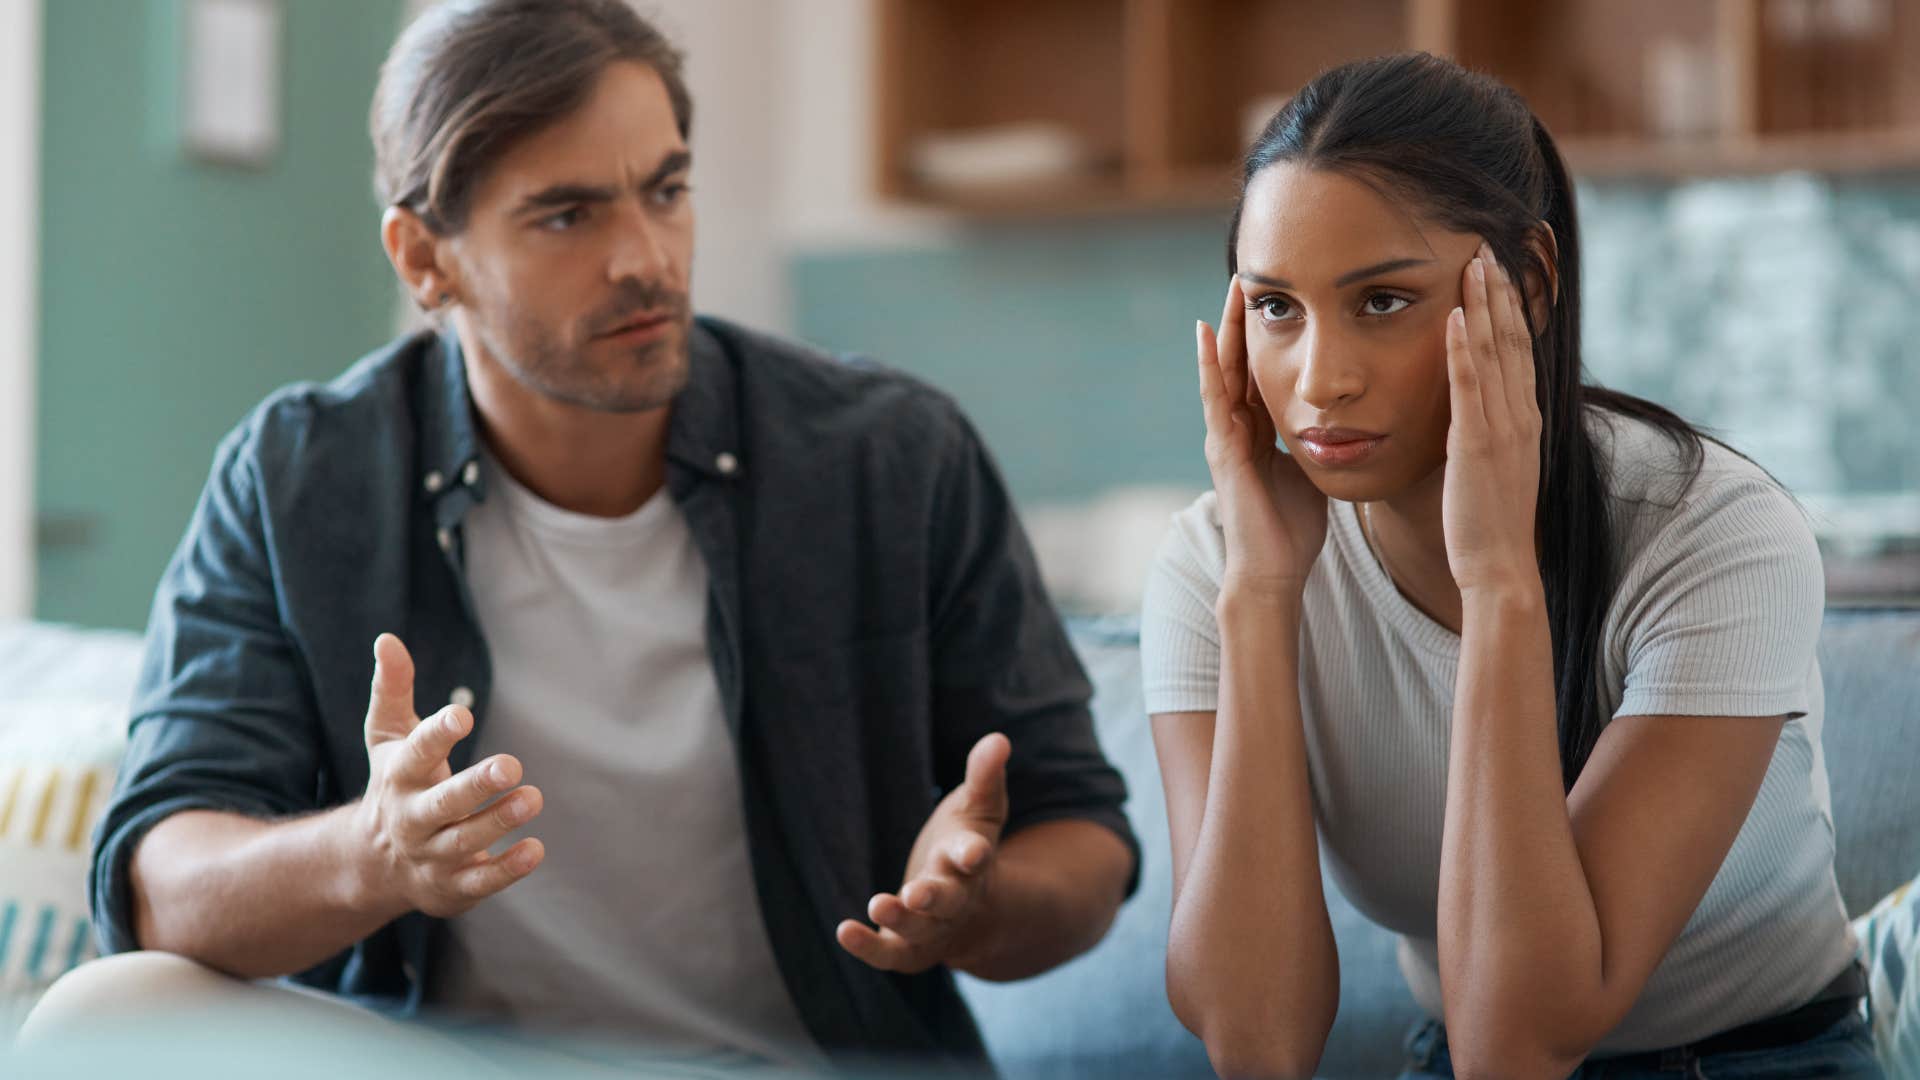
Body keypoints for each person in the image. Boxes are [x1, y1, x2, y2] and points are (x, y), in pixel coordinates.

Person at [32, 0, 1137, 1072]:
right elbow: (157, 883)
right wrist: (372, 854)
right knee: (101, 1019)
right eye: (569, 215)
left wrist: (981, 908)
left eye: (665, 191)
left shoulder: (891, 456)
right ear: (425, 258)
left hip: (795, 1062)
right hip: (440, 1061)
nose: (645, 257)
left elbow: (1082, 839)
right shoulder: (297, 477)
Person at [1143, 52, 1880, 1080]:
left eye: (1382, 302)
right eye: (1276, 308)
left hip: (1760, 1061)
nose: (1320, 380)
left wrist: (1499, 584)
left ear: (1528, 282)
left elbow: (1522, 1040)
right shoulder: (1217, 565)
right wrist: (1263, 597)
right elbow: (1256, 1045)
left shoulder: (1710, 532)